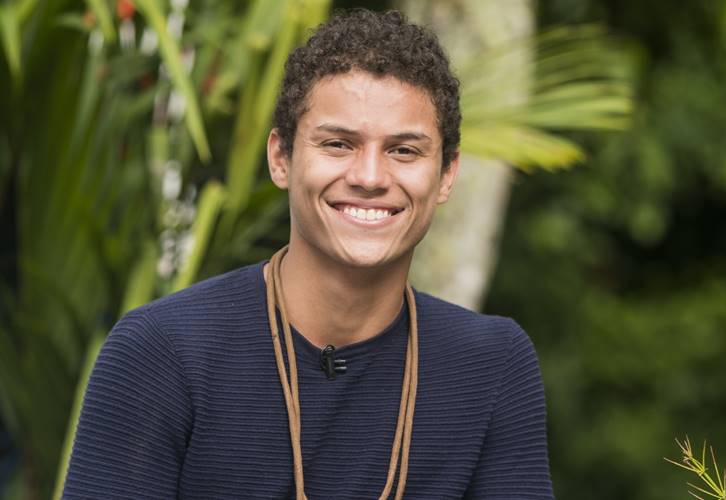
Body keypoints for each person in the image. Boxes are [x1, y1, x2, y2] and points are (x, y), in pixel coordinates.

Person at [63, 8, 554, 500]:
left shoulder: (491, 364)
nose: (369, 177)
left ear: (446, 174)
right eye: (338, 144)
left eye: (404, 150)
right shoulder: (161, 352)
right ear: (281, 158)